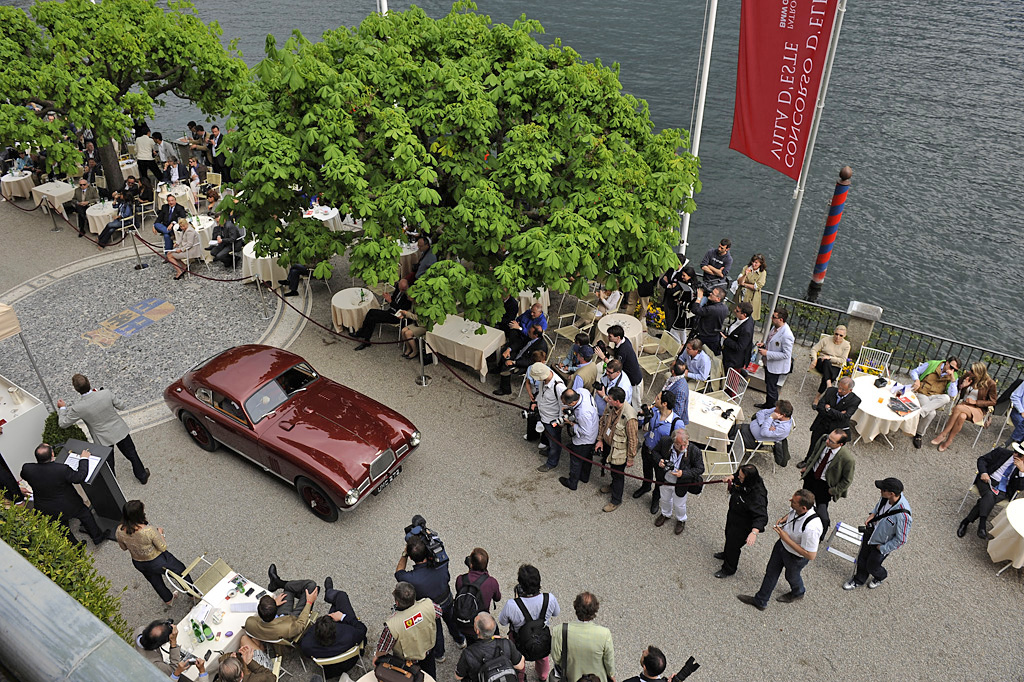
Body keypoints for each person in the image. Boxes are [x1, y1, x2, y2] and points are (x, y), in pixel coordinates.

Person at [737, 489, 823, 610]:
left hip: (795, 557)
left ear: (804, 508)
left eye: (793, 502)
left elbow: (810, 555)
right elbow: (793, 513)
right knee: (771, 572)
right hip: (781, 547)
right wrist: (785, 518)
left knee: (791, 576)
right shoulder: (799, 509)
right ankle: (761, 601)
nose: (790, 501)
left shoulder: (812, 529)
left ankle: (798, 592)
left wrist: (786, 538)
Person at [58, 373, 150, 483]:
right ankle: (142, 476)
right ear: (89, 382)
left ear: (76, 389)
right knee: (132, 454)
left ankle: (114, 486)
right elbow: (121, 406)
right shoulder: (105, 393)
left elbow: (63, 423)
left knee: (109, 465)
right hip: (119, 430)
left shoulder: (78, 408)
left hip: (102, 438)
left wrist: (62, 408)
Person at [19, 443, 110, 546]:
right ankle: (97, 537)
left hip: (45, 507)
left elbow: (24, 475)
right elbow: (79, 477)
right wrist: (84, 459)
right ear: (52, 454)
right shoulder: (61, 469)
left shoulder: (27, 468)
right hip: (68, 504)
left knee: (62, 527)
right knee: (85, 514)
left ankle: (74, 547)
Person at [395, 536, 461, 660]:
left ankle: (440, 654)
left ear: (410, 557)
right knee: (451, 620)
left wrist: (404, 553)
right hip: (447, 599)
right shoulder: (442, 563)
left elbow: (398, 572)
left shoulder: (411, 578)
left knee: (436, 631)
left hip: (430, 609)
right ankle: (460, 640)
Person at [115, 500, 190, 606]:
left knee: (156, 582)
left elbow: (123, 548)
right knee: (180, 571)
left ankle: (169, 600)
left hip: (138, 562)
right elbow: (162, 547)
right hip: (158, 560)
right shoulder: (148, 530)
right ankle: (193, 594)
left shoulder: (119, 530)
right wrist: (160, 533)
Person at [843, 478, 912, 590]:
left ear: (891, 493)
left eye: (882, 489)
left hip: (881, 544)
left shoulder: (903, 516)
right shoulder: (886, 498)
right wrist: (873, 514)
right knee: (862, 558)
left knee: (872, 566)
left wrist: (883, 548)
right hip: (870, 534)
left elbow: (901, 539)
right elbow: (878, 507)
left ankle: (880, 576)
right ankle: (858, 580)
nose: (880, 491)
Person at [498, 564, 561, 682]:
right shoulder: (550, 599)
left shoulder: (511, 605)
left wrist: (517, 599)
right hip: (541, 637)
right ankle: (543, 676)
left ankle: (521, 676)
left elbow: (502, 622)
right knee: (543, 658)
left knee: (518, 659)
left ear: (520, 584)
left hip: (520, 640)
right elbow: (556, 613)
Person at [299, 576, 368, 678]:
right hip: (350, 662)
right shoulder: (349, 633)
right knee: (341, 596)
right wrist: (343, 617)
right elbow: (362, 629)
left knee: (335, 607)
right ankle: (329, 592)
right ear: (336, 628)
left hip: (329, 671)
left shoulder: (307, 645)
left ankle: (330, 595)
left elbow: (306, 650)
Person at [376, 581, 442, 679]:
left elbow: (383, 649)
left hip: (406, 663)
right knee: (430, 677)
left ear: (397, 602)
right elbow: (439, 612)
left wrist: (376, 656)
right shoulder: (429, 605)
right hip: (428, 653)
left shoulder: (392, 625)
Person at [957, 442, 1024, 539]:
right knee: (989, 495)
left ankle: (966, 522)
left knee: (987, 498)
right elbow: (982, 460)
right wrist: (984, 472)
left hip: (1003, 489)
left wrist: (1022, 472)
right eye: (1015, 451)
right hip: (987, 479)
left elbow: (1020, 488)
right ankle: (982, 525)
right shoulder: (1002, 452)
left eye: (1020, 454)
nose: (1016, 455)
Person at [796, 429, 855, 535]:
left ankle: (821, 532)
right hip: (812, 476)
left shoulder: (847, 459)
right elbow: (815, 454)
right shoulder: (824, 439)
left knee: (821, 512)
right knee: (804, 499)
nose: (827, 441)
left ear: (841, 444)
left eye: (832, 441)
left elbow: (847, 480)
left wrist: (833, 491)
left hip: (825, 485)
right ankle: (800, 519)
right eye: (829, 438)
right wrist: (807, 467)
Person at [714, 464, 769, 578]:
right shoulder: (745, 480)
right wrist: (731, 477)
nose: (738, 478)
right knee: (728, 535)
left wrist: (754, 532)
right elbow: (736, 476)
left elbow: (761, 516)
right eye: (739, 475)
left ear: (749, 479)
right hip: (734, 514)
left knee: (734, 545)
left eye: (741, 477)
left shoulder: (758, 496)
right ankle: (726, 554)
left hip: (743, 524)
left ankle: (729, 569)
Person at [549, 592, 615, 682]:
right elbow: (609, 661)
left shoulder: (560, 630)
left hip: (570, 677)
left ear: (576, 607)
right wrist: (611, 675)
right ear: (595, 610)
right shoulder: (604, 633)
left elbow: (556, 658)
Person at [932, 362, 998, 451]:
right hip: (964, 405)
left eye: (972, 371)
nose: (970, 372)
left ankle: (943, 433)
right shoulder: (968, 376)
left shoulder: (990, 383)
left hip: (977, 409)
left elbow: (993, 401)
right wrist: (963, 386)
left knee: (958, 408)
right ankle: (949, 441)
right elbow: (956, 389)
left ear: (979, 372)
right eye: (970, 369)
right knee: (962, 416)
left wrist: (976, 402)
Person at [633, 392, 683, 508]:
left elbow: (680, 443)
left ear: (664, 404)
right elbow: (640, 422)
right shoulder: (654, 412)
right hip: (647, 448)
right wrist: (642, 414)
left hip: (661, 456)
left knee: (660, 479)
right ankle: (646, 486)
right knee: (647, 470)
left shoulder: (676, 423)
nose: (655, 399)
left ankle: (656, 498)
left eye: (658, 398)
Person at [244, 564, 318, 642]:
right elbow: (301, 624)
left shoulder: (249, 622)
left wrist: (272, 606)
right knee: (311, 585)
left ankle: (276, 583)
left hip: (280, 616)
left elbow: (257, 619)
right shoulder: (288, 628)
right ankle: (279, 583)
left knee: (288, 591)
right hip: (294, 619)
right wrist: (309, 602)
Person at [595, 386, 638, 513]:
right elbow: (603, 422)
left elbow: (633, 439)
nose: (607, 399)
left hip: (619, 451)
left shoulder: (629, 417)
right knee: (612, 471)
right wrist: (600, 440)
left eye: (610, 398)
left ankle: (616, 500)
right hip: (609, 445)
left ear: (618, 401)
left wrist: (630, 458)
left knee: (618, 474)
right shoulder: (611, 406)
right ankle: (612, 486)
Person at [652, 428, 704, 534]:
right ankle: (666, 514)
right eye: (679, 445)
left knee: (679, 504)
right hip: (665, 479)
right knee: (665, 499)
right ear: (673, 442)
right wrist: (659, 461)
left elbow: (700, 469)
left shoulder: (694, 451)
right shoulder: (665, 441)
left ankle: (681, 520)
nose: (683, 448)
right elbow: (655, 452)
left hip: (681, 482)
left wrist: (683, 473)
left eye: (685, 444)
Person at [907, 356, 960, 448]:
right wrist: (917, 380)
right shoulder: (932, 364)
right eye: (951, 367)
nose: (952, 370)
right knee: (932, 413)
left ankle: (919, 413)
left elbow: (952, 395)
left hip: (936, 396)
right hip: (923, 393)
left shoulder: (953, 376)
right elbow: (914, 371)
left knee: (946, 398)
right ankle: (919, 435)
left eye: (955, 370)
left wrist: (952, 380)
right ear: (947, 363)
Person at [455, 613, 525, 681]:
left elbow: (458, 677)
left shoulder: (468, 653)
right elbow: (520, 666)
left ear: (477, 631)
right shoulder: (506, 643)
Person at [453, 548, 502, 643]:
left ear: (471, 564)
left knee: (471, 643)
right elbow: (498, 598)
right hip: (482, 623)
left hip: (464, 623)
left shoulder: (460, 579)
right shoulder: (491, 582)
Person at [806, 377, 860, 460]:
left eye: (843, 390)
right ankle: (807, 460)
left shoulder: (855, 400)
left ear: (850, 390)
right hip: (821, 424)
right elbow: (819, 407)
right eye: (839, 387)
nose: (839, 390)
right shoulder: (830, 391)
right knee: (814, 444)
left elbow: (845, 417)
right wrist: (837, 413)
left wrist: (829, 409)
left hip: (835, 429)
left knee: (829, 450)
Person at [558, 387, 600, 491]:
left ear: (572, 403)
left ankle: (572, 483)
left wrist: (571, 423)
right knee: (587, 458)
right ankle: (584, 477)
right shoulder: (583, 391)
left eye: (566, 404)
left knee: (576, 460)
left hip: (585, 440)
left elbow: (585, 432)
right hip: (593, 430)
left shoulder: (582, 413)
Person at [353, 279, 412, 349]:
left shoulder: (409, 296)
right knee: (371, 312)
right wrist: (389, 297)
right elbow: (394, 298)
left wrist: (390, 301)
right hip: (391, 311)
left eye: (403, 290)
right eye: (400, 289)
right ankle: (362, 332)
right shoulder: (398, 289)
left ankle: (366, 340)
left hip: (397, 316)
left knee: (373, 318)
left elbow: (401, 310)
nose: (401, 291)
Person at [754, 308, 794, 409]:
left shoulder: (787, 335)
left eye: (774, 317)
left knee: (772, 388)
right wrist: (764, 344)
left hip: (776, 366)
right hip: (768, 363)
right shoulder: (775, 327)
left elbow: (786, 355)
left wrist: (767, 353)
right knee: (769, 384)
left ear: (781, 319)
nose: (771, 318)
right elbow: (771, 341)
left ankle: (772, 408)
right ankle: (768, 404)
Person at [494, 324, 548, 396]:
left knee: (506, 367)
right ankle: (498, 369)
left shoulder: (540, 347)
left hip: (525, 365)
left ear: (536, 335)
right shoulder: (531, 337)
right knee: (504, 352)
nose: (528, 333)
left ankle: (505, 389)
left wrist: (514, 362)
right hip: (520, 355)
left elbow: (530, 362)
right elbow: (520, 343)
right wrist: (509, 349)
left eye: (529, 332)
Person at [533, 363, 568, 473]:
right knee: (548, 437)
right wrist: (537, 404)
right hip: (544, 417)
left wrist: (560, 422)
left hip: (552, 420)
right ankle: (549, 451)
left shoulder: (559, 387)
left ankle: (551, 462)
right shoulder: (544, 381)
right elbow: (541, 394)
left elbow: (563, 405)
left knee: (555, 442)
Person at [602, 325, 644, 409]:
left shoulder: (623, 350)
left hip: (633, 380)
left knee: (636, 404)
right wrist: (606, 348)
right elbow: (614, 353)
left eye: (610, 336)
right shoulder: (624, 341)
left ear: (617, 337)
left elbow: (616, 367)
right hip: (631, 376)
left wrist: (603, 357)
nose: (608, 337)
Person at [808, 326, 851, 401]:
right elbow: (814, 349)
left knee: (828, 375)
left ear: (844, 336)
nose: (838, 337)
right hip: (822, 363)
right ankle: (828, 385)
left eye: (841, 335)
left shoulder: (846, 345)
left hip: (835, 365)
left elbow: (842, 360)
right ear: (834, 333)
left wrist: (830, 358)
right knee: (826, 362)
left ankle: (817, 397)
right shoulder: (826, 340)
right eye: (836, 334)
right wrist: (814, 359)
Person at [687, 285, 728, 355]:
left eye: (713, 294)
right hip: (714, 336)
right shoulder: (725, 308)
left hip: (704, 335)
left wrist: (699, 298)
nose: (710, 294)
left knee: (694, 350)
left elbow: (695, 310)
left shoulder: (712, 309)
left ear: (718, 299)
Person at [659, 263, 697, 331]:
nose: (682, 277)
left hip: (683, 310)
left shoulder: (692, 287)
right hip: (677, 306)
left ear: (689, 276)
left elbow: (673, 291)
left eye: (684, 275)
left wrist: (673, 287)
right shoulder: (682, 282)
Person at [721, 302, 755, 376]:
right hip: (728, 355)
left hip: (734, 360)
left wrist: (726, 339)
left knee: (731, 383)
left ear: (744, 315)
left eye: (737, 311)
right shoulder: (741, 319)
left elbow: (740, 347)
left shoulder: (746, 329)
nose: (734, 311)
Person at [734, 254, 766, 320]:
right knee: (738, 312)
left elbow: (757, 286)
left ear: (760, 263)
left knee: (748, 315)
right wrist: (745, 275)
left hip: (752, 297)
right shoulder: (746, 268)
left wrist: (745, 284)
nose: (754, 264)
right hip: (741, 294)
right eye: (753, 262)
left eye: (756, 263)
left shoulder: (762, 272)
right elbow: (739, 281)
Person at [660, 362, 690, 429]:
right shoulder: (675, 378)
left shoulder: (680, 390)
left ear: (673, 371)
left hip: (668, 420)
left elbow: (677, 412)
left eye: (671, 365)